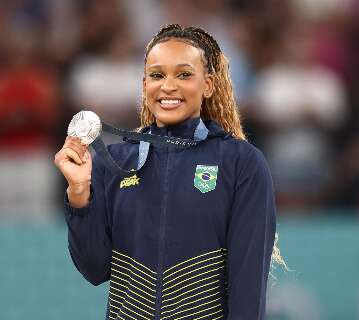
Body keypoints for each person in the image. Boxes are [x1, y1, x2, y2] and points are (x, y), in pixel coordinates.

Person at [55, 24, 281, 320]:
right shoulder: (114, 163)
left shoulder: (240, 163)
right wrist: (79, 194)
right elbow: (95, 269)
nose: (168, 86)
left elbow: (248, 284)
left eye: (184, 74)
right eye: (157, 75)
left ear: (208, 84)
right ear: (144, 85)